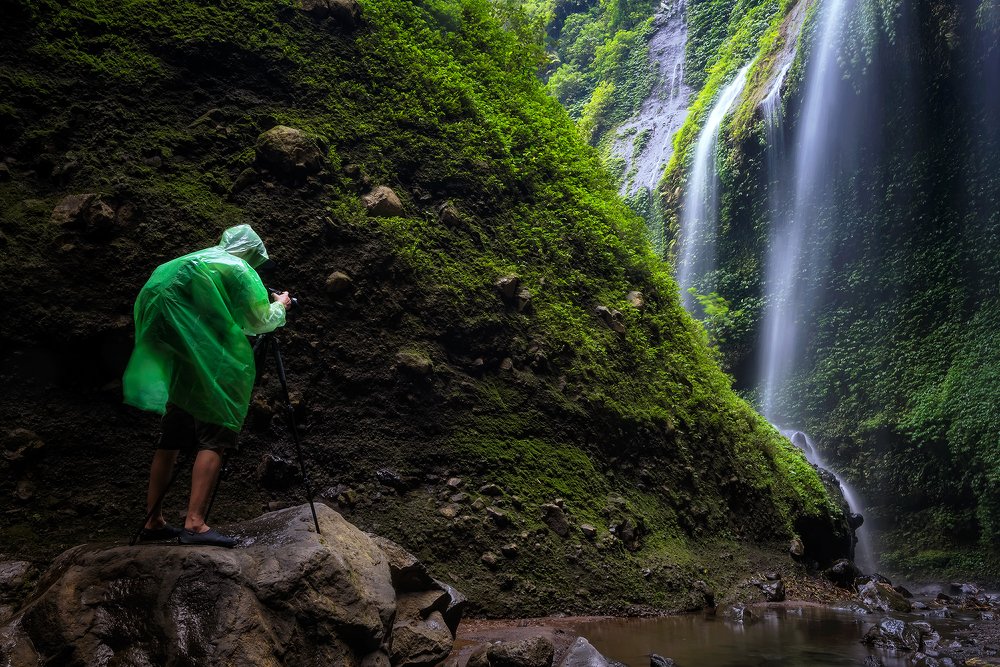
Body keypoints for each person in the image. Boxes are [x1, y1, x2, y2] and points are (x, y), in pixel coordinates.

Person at [122, 225, 292, 547]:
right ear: (251, 254)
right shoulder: (239, 270)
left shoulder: (193, 260)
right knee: (217, 430)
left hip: (177, 351)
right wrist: (280, 306)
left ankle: (153, 522)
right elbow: (258, 321)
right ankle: (195, 523)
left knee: (172, 436)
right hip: (207, 358)